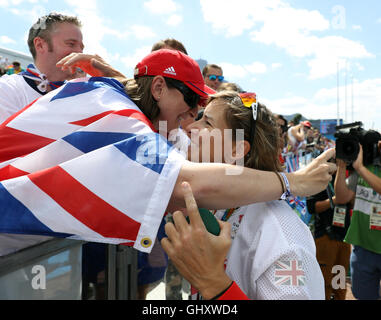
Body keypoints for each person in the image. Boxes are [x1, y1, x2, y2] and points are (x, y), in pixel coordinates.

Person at [161, 91, 326, 300]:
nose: (190, 127)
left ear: (236, 150)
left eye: (207, 123)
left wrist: (214, 283)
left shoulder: (281, 234)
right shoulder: (219, 207)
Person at [0, 12, 85, 123]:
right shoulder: (8, 88)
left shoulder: (84, 92)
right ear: (40, 45)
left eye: (81, 47)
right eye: (71, 44)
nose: (80, 52)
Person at [334, 142, 381, 300]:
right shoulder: (365, 169)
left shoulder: (363, 169)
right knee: (363, 295)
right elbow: (341, 197)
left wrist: (360, 168)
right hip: (363, 249)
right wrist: (341, 167)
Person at [306, 175, 352, 300]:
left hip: (344, 237)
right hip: (325, 238)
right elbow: (312, 207)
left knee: (340, 284)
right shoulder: (317, 179)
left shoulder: (347, 177)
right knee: (323, 283)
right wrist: (334, 200)